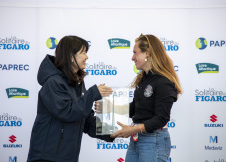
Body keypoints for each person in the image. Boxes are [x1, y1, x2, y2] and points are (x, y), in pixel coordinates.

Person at [27, 36, 114, 162]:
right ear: (70, 56)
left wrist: (111, 131)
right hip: (47, 157)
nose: (87, 57)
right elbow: (68, 111)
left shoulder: (76, 83)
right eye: (83, 52)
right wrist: (93, 93)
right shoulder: (53, 82)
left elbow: (85, 120)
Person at [111, 34, 182, 162]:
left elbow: (161, 118)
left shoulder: (163, 82)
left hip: (153, 141)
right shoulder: (143, 79)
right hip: (136, 140)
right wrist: (109, 108)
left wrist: (133, 129)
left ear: (147, 53)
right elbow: (135, 109)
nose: (132, 58)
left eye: (135, 53)